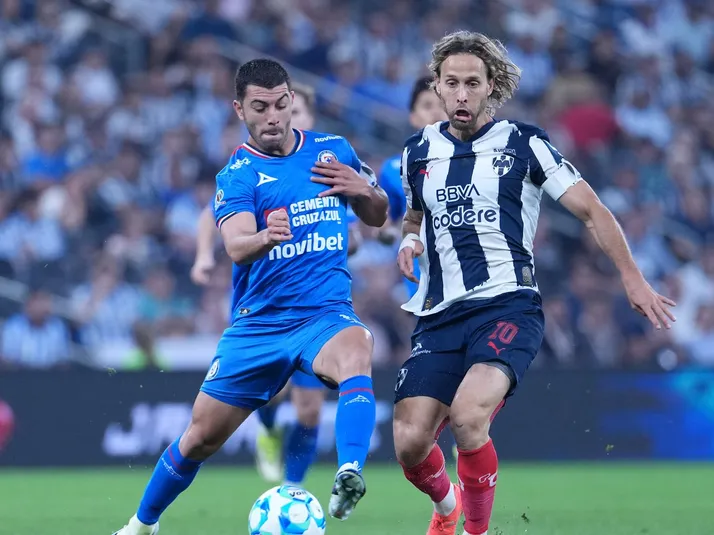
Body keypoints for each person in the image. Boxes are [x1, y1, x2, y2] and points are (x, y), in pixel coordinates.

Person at [393, 31, 676, 535]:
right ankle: (447, 508)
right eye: (451, 83)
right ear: (436, 86)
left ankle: (476, 532)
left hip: (507, 306)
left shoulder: (524, 143)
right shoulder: (417, 151)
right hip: (438, 315)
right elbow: (414, 216)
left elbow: (591, 209)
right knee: (410, 443)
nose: (461, 93)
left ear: (491, 86)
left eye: (472, 83)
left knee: (468, 418)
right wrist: (410, 241)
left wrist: (631, 277)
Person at [113, 58, 388, 535]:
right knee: (199, 439)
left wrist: (364, 189)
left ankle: (349, 471)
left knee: (357, 347)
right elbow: (237, 246)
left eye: (281, 104)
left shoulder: (333, 149)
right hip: (259, 326)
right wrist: (266, 236)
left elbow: (377, 216)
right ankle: (141, 525)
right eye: (261, 108)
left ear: (292, 102)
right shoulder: (237, 175)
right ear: (240, 109)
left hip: (323, 315)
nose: (273, 117)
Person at [190, 83, 361, 487]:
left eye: (292, 111)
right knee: (275, 395)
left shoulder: (327, 163)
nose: (279, 120)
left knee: (309, 409)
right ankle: (267, 427)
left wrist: (353, 234)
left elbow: (356, 226)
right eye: (266, 109)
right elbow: (210, 216)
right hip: (267, 307)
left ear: (307, 118)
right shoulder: (245, 170)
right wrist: (202, 256)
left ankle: (292, 489)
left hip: (317, 308)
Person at [378, 76, 448, 299]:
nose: (436, 112)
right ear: (413, 117)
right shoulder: (393, 169)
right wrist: (387, 233)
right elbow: (385, 222)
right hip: (422, 284)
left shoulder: (475, 163)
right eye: (427, 106)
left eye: (443, 105)